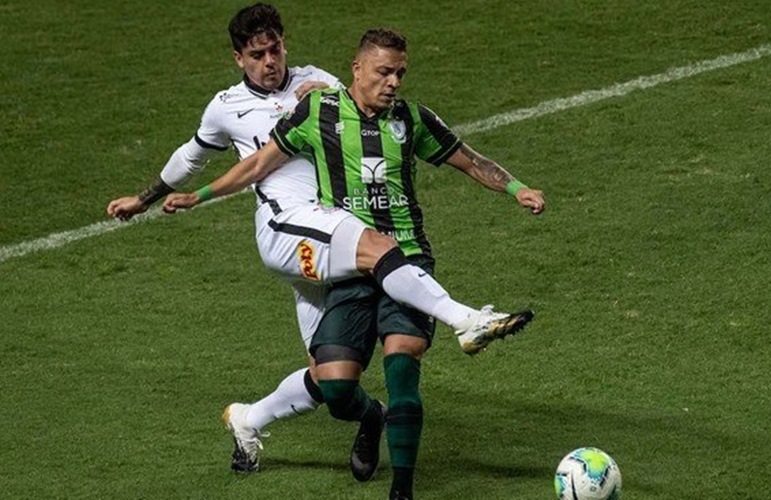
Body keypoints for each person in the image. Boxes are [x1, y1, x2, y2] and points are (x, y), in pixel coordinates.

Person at [165, 27, 545, 500]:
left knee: (402, 361)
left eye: (400, 73)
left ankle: (402, 489)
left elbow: (470, 160)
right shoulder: (318, 112)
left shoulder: (412, 119)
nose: (393, 83)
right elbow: (258, 165)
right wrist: (196, 196)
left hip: (407, 254)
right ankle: (369, 414)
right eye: (384, 72)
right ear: (357, 69)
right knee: (336, 387)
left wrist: (516, 188)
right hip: (349, 263)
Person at [105, 3, 374, 476]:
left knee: (333, 383)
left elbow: (365, 123)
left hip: (338, 228)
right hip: (301, 245)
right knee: (384, 277)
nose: (270, 62)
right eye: (257, 55)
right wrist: (144, 199)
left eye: (275, 49)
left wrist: (337, 98)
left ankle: (251, 419)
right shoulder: (227, 107)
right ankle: (450, 326)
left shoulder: (319, 81)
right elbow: (190, 157)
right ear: (238, 59)